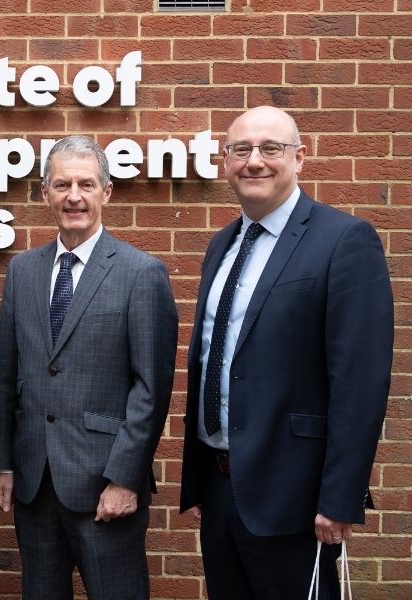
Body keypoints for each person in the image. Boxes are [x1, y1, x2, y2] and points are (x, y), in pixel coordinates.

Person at [179, 106, 393, 599]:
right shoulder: (222, 245)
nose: (255, 161)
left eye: (270, 149)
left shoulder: (343, 240)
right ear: (224, 161)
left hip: (296, 497)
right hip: (221, 486)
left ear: (300, 157)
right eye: (241, 150)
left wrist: (340, 497)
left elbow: (359, 383)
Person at [0, 135, 178, 599]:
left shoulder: (140, 273)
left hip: (103, 484)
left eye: (86, 184)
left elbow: (150, 390)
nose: (74, 196)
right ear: (44, 192)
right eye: (62, 184)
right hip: (35, 483)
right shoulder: (23, 270)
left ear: (106, 192)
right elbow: (7, 373)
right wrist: (4, 464)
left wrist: (125, 478)